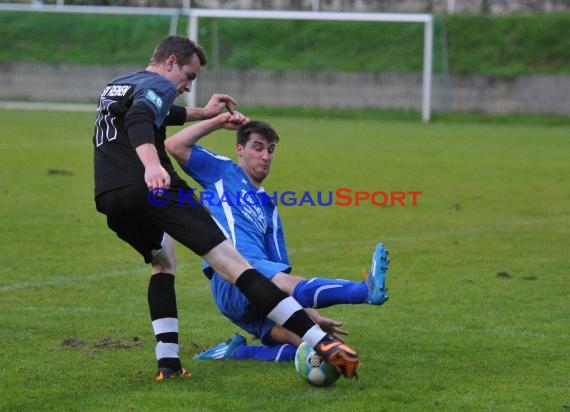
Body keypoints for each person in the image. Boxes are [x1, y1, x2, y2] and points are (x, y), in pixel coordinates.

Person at [92, 35, 360, 381]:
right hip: (154, 187)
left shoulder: (119, 84)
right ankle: (322, 342)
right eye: (188, 76)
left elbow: (157, 112)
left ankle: (168, 363)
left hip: (110, 196)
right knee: (236, 267)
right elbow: (142, 117)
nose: (187, 86)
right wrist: (151, 165)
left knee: (163, 259)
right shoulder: (158, 84)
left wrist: (204, 115)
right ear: (170, 62)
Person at [165, 113, 390, 362]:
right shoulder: (222, 171)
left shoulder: (269, 210)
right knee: (300, 314)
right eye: (258, 148)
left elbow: (282, 281)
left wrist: (310, 315)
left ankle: (237, 352)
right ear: (240, 149)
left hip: (256, 289)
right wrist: (218, 121)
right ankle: (363, 291)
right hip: (231, 275)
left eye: (270, 150)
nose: (265, 156)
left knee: (316, 348)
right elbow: (175, 145)